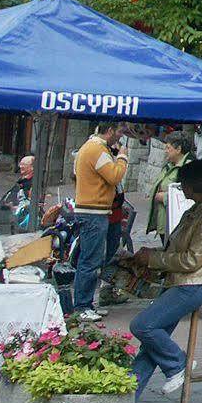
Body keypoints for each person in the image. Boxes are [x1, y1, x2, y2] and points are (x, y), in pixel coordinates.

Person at [127, 159, 202, 400]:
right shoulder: (198, 207)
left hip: (197, 283)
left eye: (183, 184)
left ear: (193, 185)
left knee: (143, 325)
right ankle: (127, 398)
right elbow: (176, 246)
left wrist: (153, 259)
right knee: (152, 343)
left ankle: (177, 363)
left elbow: (192, 261)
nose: (181, 189)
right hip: (181, 281)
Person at [70, 122, 130, 320]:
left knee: (92, 258)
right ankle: (82, 306)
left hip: (93, 210)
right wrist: (122, 157)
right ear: (110, 131)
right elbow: (114, 176)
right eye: (119, 132)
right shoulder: (97, 149)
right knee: (90, 260)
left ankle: (86, 303)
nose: (120, 137)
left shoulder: (92, 148)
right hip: (93, 212)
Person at [149, 133, 195, 238]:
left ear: (178, 149)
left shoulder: (189, 168)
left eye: (168, 148)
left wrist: (164, 197)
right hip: (164, 221)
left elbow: (189, 195)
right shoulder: (169, 165)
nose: (166, 151)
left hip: (177, 224)